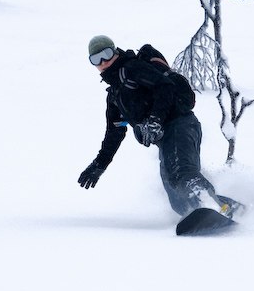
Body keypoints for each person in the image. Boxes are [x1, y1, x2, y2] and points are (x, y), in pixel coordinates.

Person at [78, 35, 239, 218]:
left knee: (182, 175)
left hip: (181, 125)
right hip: (166, 139)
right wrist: (100, 164)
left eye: (106, 54)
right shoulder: (115, 96)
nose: (103, 62)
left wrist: (155, 120)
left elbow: (165, 86)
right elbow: (114, 133)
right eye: (96, 59)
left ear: (115, 52)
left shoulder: (132, 69)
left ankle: (215, 208)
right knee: (177, 198)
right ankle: (221, 210)